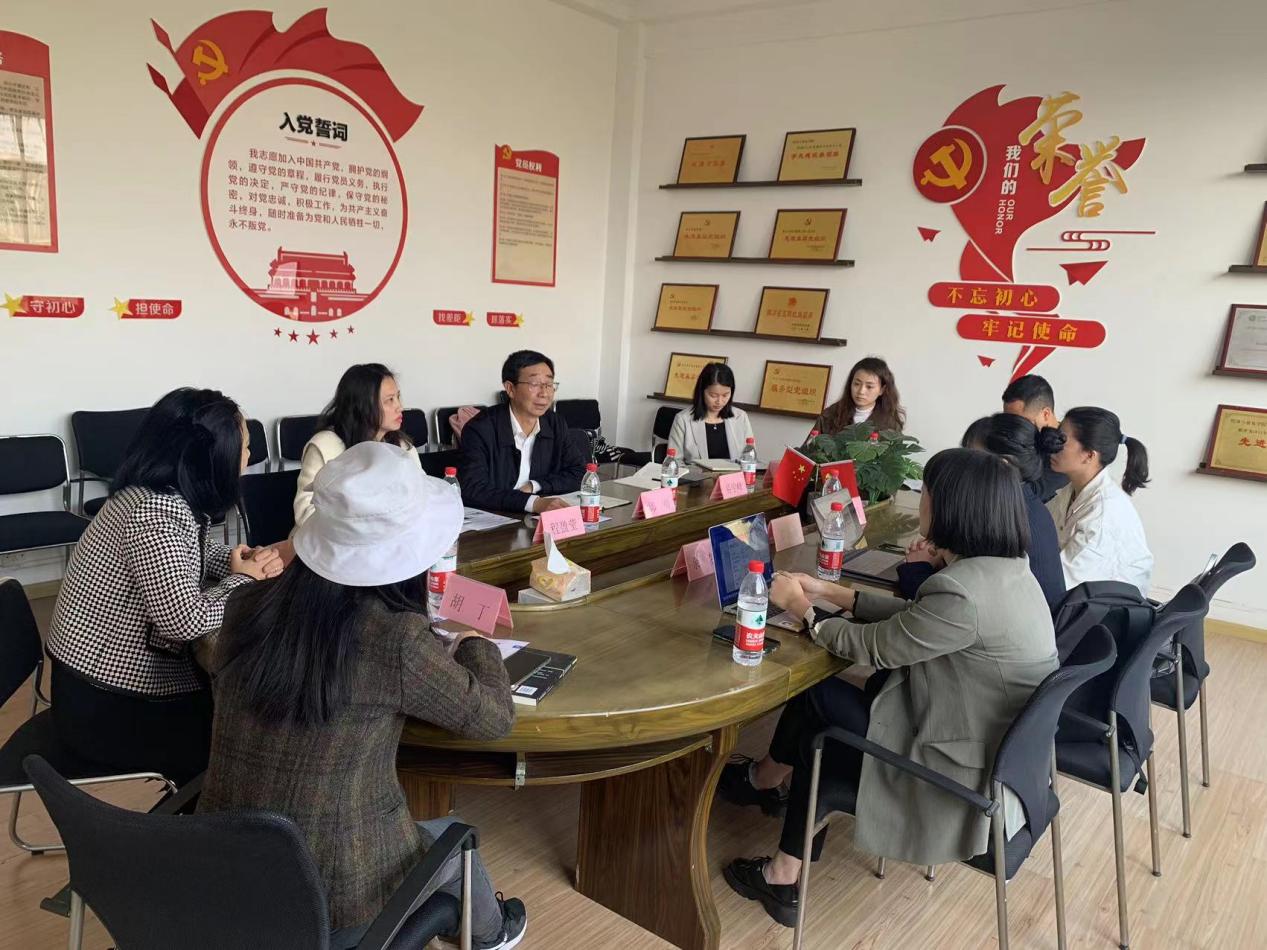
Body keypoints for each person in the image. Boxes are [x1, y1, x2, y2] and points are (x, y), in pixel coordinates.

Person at [198, 442, 526, 948]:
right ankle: (493, 934)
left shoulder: (248, 604)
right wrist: (474, 641)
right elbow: (494, 718)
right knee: (455, 837)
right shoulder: (395, 640)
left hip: (214, 874)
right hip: (333, 900)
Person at [719, 449, 1057, 927]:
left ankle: (778, 853)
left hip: (957, 780)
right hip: (996, 760)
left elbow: (873, 649)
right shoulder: (1006, 571)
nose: (920, 500)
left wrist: (802, 609)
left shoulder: (961, 592)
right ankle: (768, 791)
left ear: (950, 508)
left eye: (926, 493)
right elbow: (919, 621)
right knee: (822, 708)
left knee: (820, 715)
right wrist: (831, 592)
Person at [45, 388, 282, 784]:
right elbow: (183, 620)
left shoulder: (155, 494)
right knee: (246, 734)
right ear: (211, 459)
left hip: (91, 687)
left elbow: (188, 550)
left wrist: (234, 560)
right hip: (105, 707)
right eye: (243, 447)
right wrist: (244, 579)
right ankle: (205, 811)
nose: (248, 456)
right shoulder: (155, 511)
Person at [897, 413, 1067, 609]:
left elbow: (952, 607)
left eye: (970, 456)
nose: (960, 465)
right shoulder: (1021, 503)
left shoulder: (1000, 518)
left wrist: (917, 568)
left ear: (1002, 464)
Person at [459, 350, 587, 513]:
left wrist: (535, 486)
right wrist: (533, 503)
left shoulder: (554, 423)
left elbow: (580, 472)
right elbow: (472, 488)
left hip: (535, 518)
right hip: (494, 518)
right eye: (534, 384)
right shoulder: (480, 429)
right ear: (510, 389)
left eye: (549, 384)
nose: (544, 393)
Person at [294, 363, 420, 527]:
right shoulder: (325, 446)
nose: (400, 407)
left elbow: (422, 495)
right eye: (390, 400)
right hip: (332, 541)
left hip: (393, 537)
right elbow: (306, 513)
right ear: (363, 406)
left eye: (398, 397)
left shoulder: (402, 447)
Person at [1047, 406, 1154, 596]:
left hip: (1106, 608)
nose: (1052, 445)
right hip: (1081, 596)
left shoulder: (1102, 516)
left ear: (1089, 455)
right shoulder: (1072, 491)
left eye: (1061, 440)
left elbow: (1058, 583)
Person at [667, 362, 755, 461]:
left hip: (734, 472)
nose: (719, 401)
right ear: (702, 391)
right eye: (713, 395)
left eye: (725, 395)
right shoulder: (683, 419)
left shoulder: (740, 417)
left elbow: (750, 458)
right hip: (695, 472)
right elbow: (674, 461)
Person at [1001, 373, 1068, 501]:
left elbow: (1031, 493)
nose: (1014, 428)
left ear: (1046, 414)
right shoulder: (1015, 439)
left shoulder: (1067, 449)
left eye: (1021, 422)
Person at [812, 356, 904, 436]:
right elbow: (809, 448)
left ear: (882, 390)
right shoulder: (830, 415)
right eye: (856, 384)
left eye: (869, 387)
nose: (861, 391)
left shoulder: (890, 424)